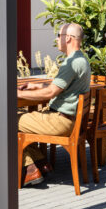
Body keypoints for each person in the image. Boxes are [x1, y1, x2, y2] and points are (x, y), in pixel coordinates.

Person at [15, 22, 92, 186]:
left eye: (59, 36)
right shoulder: (80, 60)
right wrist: (36, 86)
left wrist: (18, 94)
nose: (57, 39)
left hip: (59, 122)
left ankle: (30, 169)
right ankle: (41, 163)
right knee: (16, 119)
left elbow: (51, 93)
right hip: (67, 119)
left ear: (69, 38)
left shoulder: (71, 63)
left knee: (6, 120)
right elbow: (59, 88)